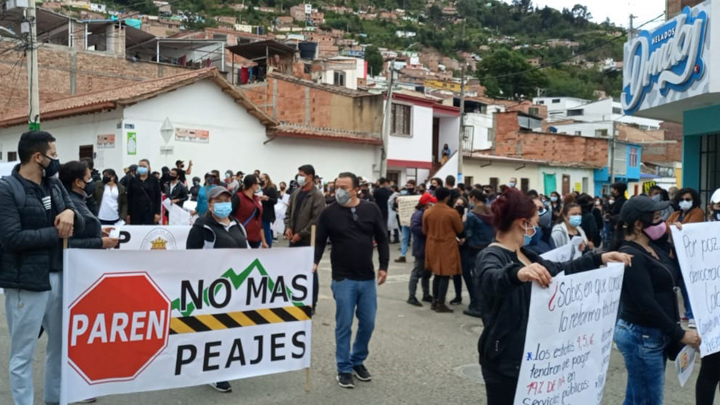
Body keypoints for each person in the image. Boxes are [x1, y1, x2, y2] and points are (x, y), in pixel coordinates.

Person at [475, 189, 631, 404]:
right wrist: (517, 274)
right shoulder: (491, 255)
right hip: (505, 361)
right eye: (535, 221)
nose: (538, 227)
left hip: (533, 359)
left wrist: (600, 258)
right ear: (523, 223)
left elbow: (561, 269)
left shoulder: (527, 255)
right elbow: (490, 278)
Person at [0, 131, 84, 405]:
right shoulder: (7, 189)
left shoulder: (55, 186)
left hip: (60, 277)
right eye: (54, 154)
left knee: (61, 348)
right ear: (38, 157)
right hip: (27, 283)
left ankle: (54, 399)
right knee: (22, 355)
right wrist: (56, 232)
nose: (57, 160)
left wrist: (71, 213)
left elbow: (79, 222)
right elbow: (12, 238)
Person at [612, 196, 701, 405]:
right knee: (648, 399)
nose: (663, 223)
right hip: (642, 336)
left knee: (636, 397)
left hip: (653, 335)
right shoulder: (630, 254)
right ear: (639, 224)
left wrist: (679, 238)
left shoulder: (652, 247)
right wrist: (680, 334)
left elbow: (674, 273)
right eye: (657, 218)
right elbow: (646, 304)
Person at [314, 172, 389, 389]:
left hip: (366, 277)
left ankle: (358, 360)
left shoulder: (370, 209)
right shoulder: (329, 213)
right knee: (344, 325)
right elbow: (319, 241)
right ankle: (344, 368)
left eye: (344, 187)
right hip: (342, 278)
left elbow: (383, 238)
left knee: (368, 323)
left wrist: (384, 266)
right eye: (336, 186)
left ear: (356, 189)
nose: (339, 191)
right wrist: (314, 261)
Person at [187, 186, 248, 394]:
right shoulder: (203, 226)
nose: (224, 204)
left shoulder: (238, 225)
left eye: (226, 200)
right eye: (219, 200)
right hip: (212, 288)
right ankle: (213, 372)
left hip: (236, 286)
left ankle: (225, 364)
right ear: (210, 205)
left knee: (231, 328)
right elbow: (191, 256)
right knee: (214, 330)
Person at [285, 164, 326, 313]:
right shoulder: (296, 192)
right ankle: (296, 297)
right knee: (294, 270)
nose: (299, 177)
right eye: (298, 174)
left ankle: (311, 302)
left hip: (308, 239)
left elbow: (317, 219)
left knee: (310, 271)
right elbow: (288, 212)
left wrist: (300, 233)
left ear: (310, 176)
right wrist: (288, 227)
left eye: (301, 174)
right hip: (293, 237)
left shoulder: (317, 196)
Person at [666, 187, 705, 329]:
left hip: (690, 255)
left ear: (693, 200)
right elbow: (666, 227)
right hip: (675, 254)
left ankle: (692, 314)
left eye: (688, 199)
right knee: (680, 285)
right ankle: (688, 312)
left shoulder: (698, 212)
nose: (684, 202)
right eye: (682, 199)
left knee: (688, 285)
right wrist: (675, 227)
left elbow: (690, 228)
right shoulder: (676, 214)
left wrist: (677, 227)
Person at [60, 161, 120, 251]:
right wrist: (101, 242)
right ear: (78, 182)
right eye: (88, 178)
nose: (92, 182)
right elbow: (68, 242)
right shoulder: (71, 204)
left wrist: (97, 232)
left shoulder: (81, 199)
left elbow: (80, 230)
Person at [423, 187, 464, 313]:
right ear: (447, 197)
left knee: (436, 274)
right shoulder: (452, 213)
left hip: (432, 244)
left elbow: (424, 230)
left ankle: (435, 301)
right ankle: (441, 302)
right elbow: (460, 229)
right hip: (447, 245)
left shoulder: (428, 212)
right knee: (445, 274)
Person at [461, 189, 494, 318]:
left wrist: (463, 223)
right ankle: (485, 304)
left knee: (472, 277)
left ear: (473, 198)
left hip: (473, 248)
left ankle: (476, 304)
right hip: (487, 246)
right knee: (483, 277)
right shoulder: (490, 212)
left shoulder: (472, 215)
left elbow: (467, 233)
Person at [407, 193, 436, 306]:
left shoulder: (424, 213)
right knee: (417, 271)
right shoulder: (419, 214)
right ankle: (412, 295)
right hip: (421, 247)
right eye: (431, 203)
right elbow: (414, 227)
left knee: (427, 272)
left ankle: (426, 294)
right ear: (426, 204)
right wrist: (428, 231)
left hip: (426, 246)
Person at [232, 174, 267, 249]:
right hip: (242, 238)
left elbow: (259, 220)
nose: (259, 186)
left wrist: (263, 241)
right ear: (253, 185)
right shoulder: (238, 197)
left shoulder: (257, 199)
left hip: (256, 238)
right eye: (258, 184)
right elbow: (230, 216)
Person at [126, 159, 161, 225]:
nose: (142, 168)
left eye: (144, 166)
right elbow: (129, 197)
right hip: (135, 211)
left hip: (150, 211)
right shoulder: (133, 180)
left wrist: (157, 213)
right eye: (140, 166)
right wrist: (128, 214)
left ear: (149, 168)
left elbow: (158, 197)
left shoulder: (154, 180)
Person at [395, 180, 417, 263]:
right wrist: (397, 202)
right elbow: (396, 205)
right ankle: (402, 255)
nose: (409, 187)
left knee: (415, 239)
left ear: (414, 186)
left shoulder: (417, 195)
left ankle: (416, 256)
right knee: (404, 238)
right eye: (408, 185)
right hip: (405, 220)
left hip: (414, 221)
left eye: (411, 185)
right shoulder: (403, 195)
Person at [259, 173, 278, 247]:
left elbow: (275, 200)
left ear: (267, 180)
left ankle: (268, 246)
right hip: (260, 211)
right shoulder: (260, 188)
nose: (261, 180)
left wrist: (267, 198)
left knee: (266, 230)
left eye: (262, 178)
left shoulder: (270, 188)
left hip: (267, 212)